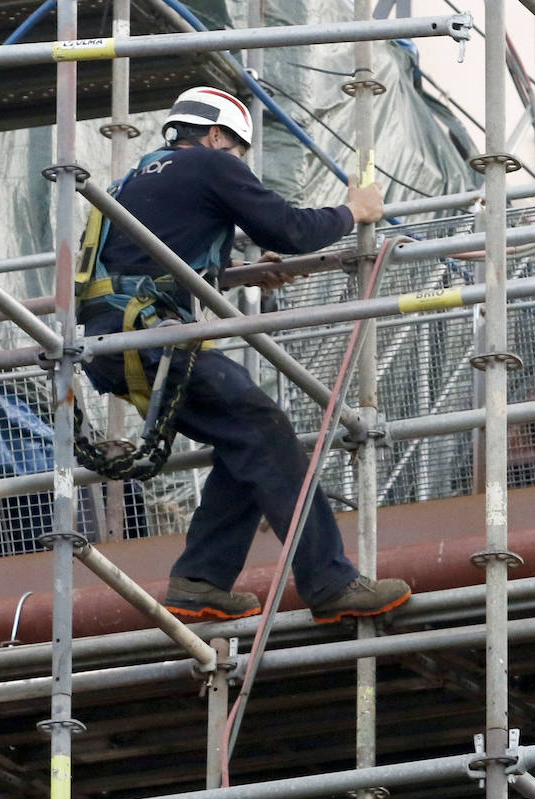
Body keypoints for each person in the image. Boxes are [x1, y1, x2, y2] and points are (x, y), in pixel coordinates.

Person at [77, 86, 412, 625]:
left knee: (248, 440)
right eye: (237, 153)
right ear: (215, 136)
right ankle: (330, 581)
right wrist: (354, 210)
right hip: (154, 339)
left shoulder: (135, 179)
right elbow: (293, 228)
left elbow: (163, 258)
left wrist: (248, 266)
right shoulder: (211, 164)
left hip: (114, 342)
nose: (239, 166)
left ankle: (201, 580)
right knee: (264, 427)